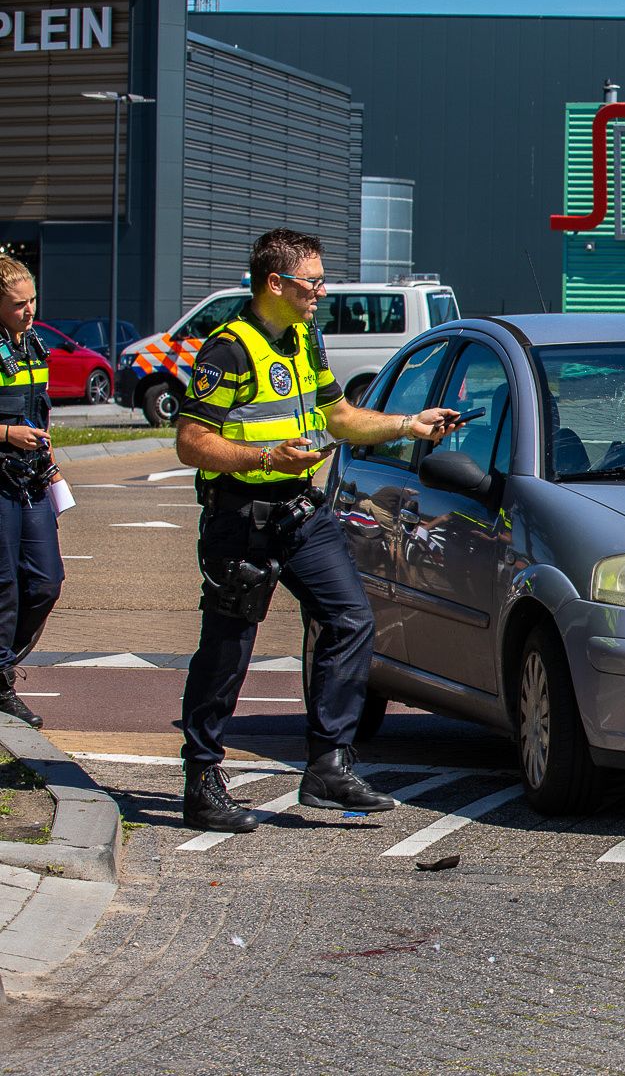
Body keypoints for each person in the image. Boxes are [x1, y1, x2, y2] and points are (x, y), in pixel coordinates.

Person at [175, 228, 461, 833]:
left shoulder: (305, 337)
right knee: (228, 652)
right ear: (275, 284)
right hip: (240, 519)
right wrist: (263, 459)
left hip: (299, 513)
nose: (321, 292)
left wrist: (409, 424)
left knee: (350, 619)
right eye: (313, 281)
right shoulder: (228, 349)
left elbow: (339, 417)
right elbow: (191, 441)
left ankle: (328, 763)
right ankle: (201, 777)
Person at [0, 256, 63, 730]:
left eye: (32, 301)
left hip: (33, 477)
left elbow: (39, 413)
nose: (28, 310)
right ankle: (2, 680)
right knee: (2, 583)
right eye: (18, 304)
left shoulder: (33, 344)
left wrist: (50, 459)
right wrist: (6, 435)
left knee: (44, 581)